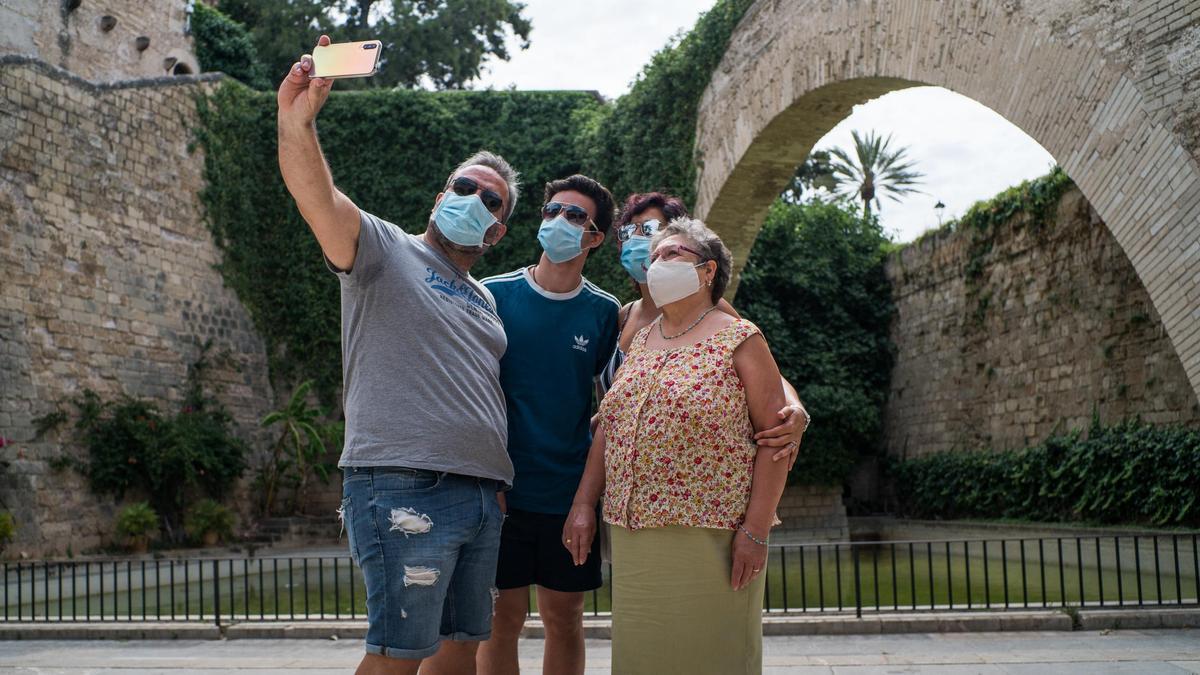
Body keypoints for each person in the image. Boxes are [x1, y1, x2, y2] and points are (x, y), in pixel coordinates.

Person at [278, 35, 512, 675]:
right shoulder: (384, 248)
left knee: (461, 650)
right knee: (395, 658)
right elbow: (317, 199)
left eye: (493, 201)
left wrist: (492, 485)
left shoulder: (487, 300)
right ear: (442, 196)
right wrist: (296, 123)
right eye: (466, 185)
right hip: (404, 482)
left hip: (479, 494)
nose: (476, 199)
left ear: (496, 231)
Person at [564, 217, 799, 674]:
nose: (657, 263)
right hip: (634, 538)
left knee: (711, 655)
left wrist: (755, 532)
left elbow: (775, 442)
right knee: (643, 660)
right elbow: (610, 426)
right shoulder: (642, 339)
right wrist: (583, 504)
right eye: (654, 257)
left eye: (672, 254)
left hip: (711, 537)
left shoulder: (740, 338)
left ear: (708, 271)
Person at [475, 175, 619, 675]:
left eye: (575, 216)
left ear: (594, 237)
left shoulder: (604, 314)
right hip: (498, 495)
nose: (559, 221)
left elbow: (614, 409)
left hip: (566, 498)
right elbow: (470, 396)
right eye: (552, 211)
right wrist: (485, 480)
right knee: (499, 619)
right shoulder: (492, 296)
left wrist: (586, 503)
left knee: (565, 619)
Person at [600, 191, 809, 458]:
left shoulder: (712, 310)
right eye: (629, 231)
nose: (638, 238)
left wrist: (796, 410)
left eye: (650, 229)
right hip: (617, 472)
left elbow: (764, 370)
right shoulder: (624, 315)